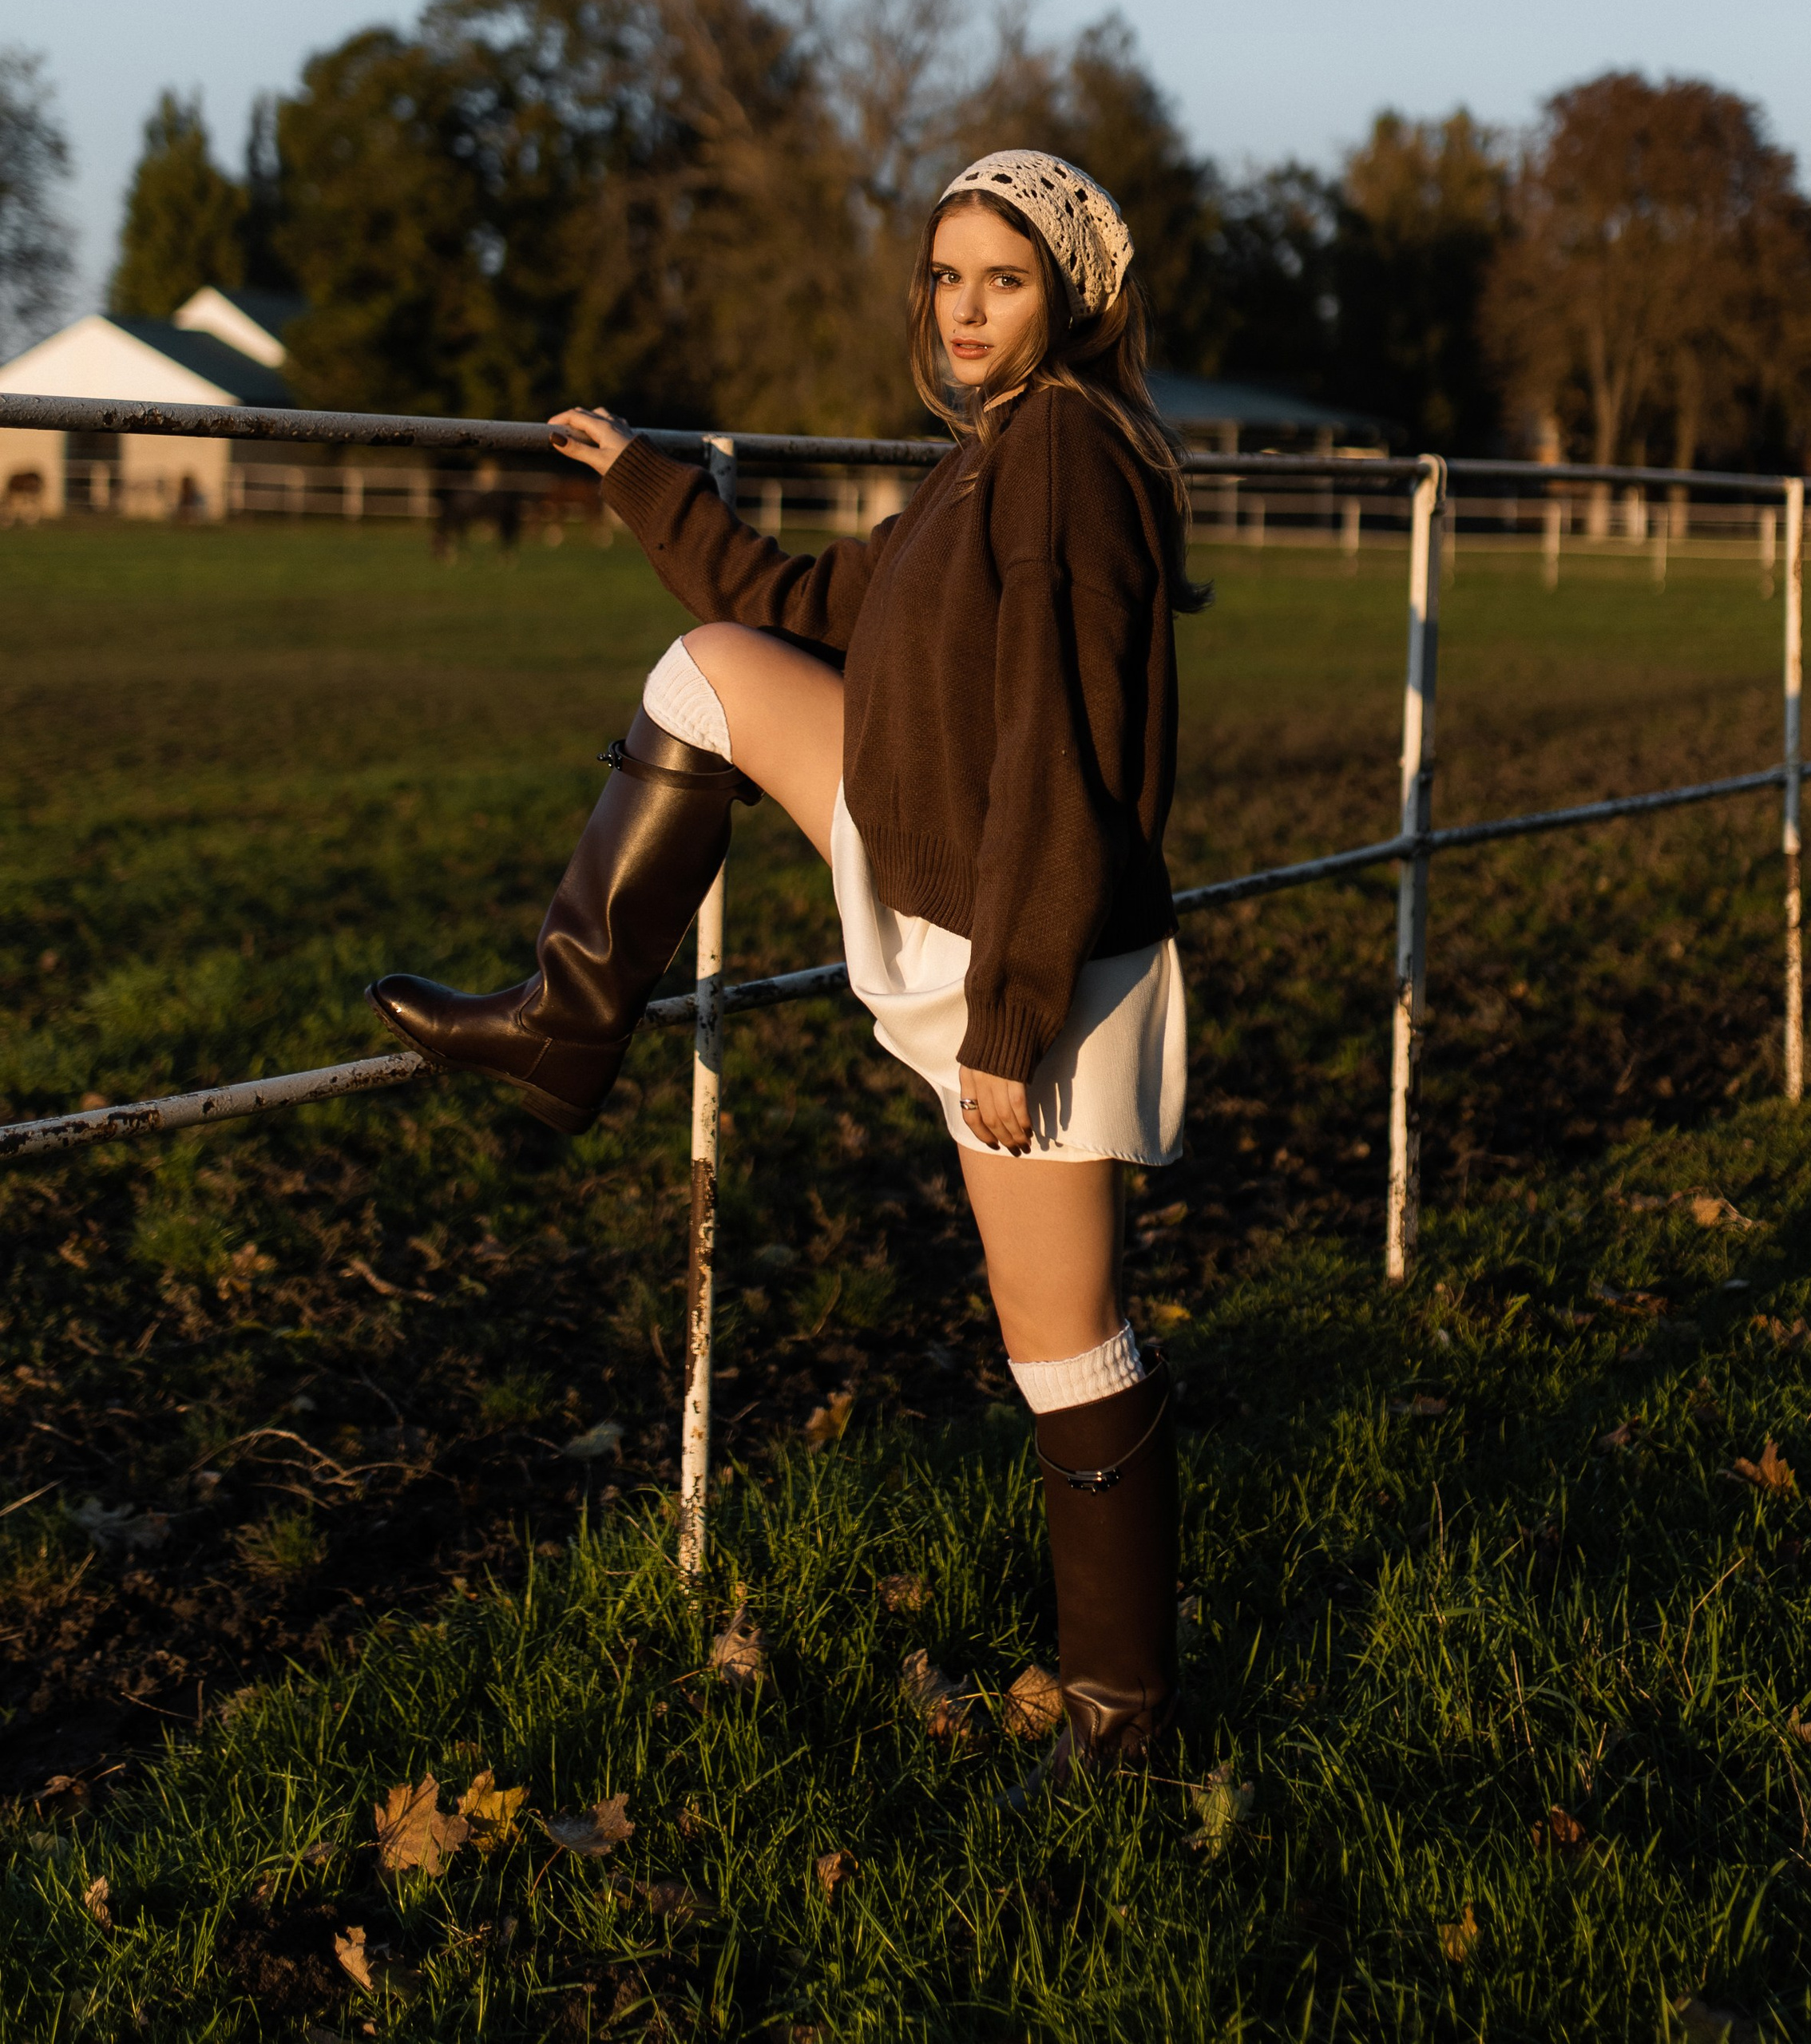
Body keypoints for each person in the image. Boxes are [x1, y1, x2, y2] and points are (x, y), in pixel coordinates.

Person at [368, 149, 1207, 1777]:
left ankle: (1122, 1722)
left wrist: (1012, 1011)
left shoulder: (1060, 461)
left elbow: (1063, 744)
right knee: (707, 668)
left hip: (1027, 944)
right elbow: (793, 605)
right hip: (957, 874)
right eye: (945, 276)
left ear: (1076, 298)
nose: (962, 310)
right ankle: (566, 1018)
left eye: (1003, 279)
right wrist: (647, 481)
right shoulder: (983, 466)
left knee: (1065, 1341)